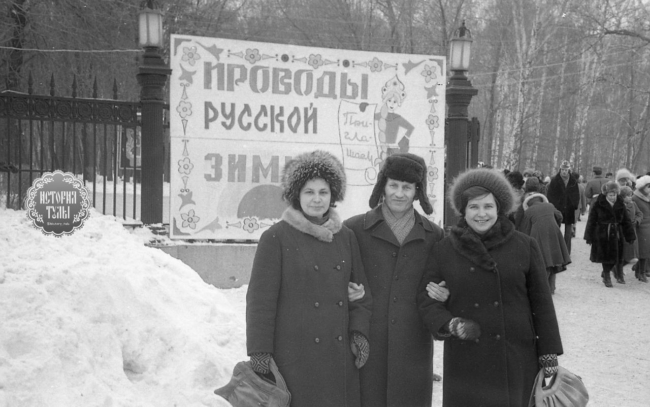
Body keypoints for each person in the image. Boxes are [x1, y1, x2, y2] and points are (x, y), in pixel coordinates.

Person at [417, 168, 563, 407]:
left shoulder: (525, 246)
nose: (481, 214)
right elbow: (426, 300)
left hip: (516, 356)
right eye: (473, 207)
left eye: (488, 206)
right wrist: (450, 324)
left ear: (499, 208)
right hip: (466, 358)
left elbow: (542, 304)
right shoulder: (444, 250)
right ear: (463, 210)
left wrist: (549, 353)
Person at [246, 150, 373, 407]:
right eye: (309, 192)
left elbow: (361, 295)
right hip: (294, 357)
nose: (317, 199)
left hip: (338, 358)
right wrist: (259, 352)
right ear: (297, 195)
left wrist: (359, 334)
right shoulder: (276, 237)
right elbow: (260, 302)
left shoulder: (346, 237)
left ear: (333, 195)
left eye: (323, 192)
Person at [344, 153, 446, 407]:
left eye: (407, 187)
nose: (399, 194)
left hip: (413, 345)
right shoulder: (354, 229)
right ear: (383, 187)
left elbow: (444, 282)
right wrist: (344, 290)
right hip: (367, 341)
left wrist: (444, 294)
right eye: (393, 185)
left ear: (417, 191)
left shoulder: (434, 235)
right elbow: (337, 277)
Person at [517, 177, 571, 294]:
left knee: (542, 262)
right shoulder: (549, 205)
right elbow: (559, 216)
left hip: (537, 236)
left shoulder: (526, 205)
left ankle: (543, 289)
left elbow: (523, 224)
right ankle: (551, 288)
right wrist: (553, 225)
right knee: (552, 260)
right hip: (554, 234)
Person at [584, 181, 636, 287]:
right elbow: (591, 221)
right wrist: (589, 236)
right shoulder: (598, 204)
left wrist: (630, 235)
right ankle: (607, 276)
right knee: (606, 257)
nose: (613, 197)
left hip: (617, 233)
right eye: (611, 195)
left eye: (614, 195)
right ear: (606, 194)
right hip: (603, 234)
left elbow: (626, 221)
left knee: (616, 256)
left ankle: (605, 272)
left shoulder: (620, 204)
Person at [547, 160, 580, 254]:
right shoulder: (554, 180)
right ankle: (556, 250)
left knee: (568, 232)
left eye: (566, 170)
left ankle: (566, 251)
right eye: (562, 169)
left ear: (569, 170)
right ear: (560, 169)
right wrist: (554, 206)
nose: (564, 172)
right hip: (558, 208)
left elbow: (576, 195)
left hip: (569, 209)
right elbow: (550, 195)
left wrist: (574, 205)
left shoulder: (573, 181)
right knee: (556, 229)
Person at [617, 186, 641, 282]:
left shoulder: (633, 204)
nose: (630, 197)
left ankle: (616, 269)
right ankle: (619, 274)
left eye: (631, 195)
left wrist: (637, 221)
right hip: (622, 232)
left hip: (632, 231)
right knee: (622, 254)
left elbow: (639, 214)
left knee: (632, 256)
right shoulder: (618, 205)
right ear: (623, 196)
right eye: (628, 196)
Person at [631, 175, 650, 283]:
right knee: (643, 251)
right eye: (648, 186)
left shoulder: (648, 196)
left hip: (648, 227)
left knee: (647, 251)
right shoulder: (635, 198)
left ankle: (640, 271)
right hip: (640, 227)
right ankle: (641, 272)